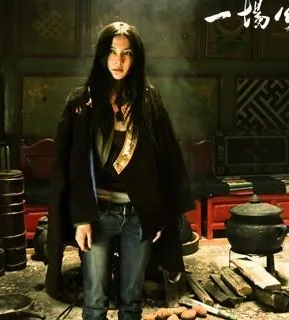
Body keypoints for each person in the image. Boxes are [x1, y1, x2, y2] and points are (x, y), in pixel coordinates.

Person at [45, 21, 195, 320]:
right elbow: (72, 166)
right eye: (112, 52)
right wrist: (81, 219)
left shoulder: (148, 100)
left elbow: (166, 161)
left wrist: (158, 215)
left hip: (138, 216)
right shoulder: (82, 102)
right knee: (95, 302)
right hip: (98, 213)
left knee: (131, 301)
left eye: (127, 53)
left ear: (136, 58)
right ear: (102, 56)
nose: (118, 60)